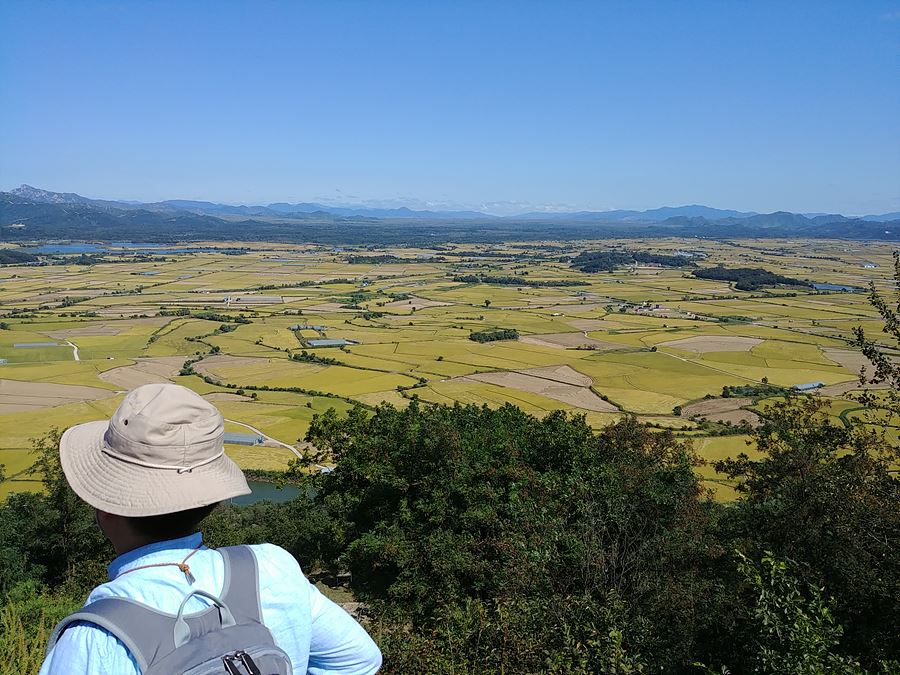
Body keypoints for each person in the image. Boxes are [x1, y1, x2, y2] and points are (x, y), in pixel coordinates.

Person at [39, 383, 382, 675]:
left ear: (106, 504)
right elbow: (359, 660)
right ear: (212, 501)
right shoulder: (272, 569)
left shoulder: (98, 637)